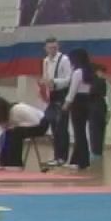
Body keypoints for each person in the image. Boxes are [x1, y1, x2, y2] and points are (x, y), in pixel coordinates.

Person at [39, 37, 72, 166]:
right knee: (53, 126)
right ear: (45, 48)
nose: (52, 50)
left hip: (62, 94)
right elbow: (45, 77)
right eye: (50, 48)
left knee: (62, 127)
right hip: (52, 95)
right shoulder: (45, 61)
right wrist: (43, 83)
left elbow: (68, 79)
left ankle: (63, 158)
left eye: (55, 47)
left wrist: (54, 82)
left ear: (58, 47)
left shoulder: (64, 59)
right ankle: (56, 156)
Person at [65, 49, 100, 170]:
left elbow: (72, 91)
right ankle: (75, 160)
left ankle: (83, 162)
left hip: (77, 102)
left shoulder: (77, 72)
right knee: (80, 132)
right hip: (87, 101)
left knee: (78, 133)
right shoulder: (90, 71)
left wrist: (66, 104)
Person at [0, 95, 48, 169]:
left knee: (14, 132)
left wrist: (17, 126)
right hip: (23, 127)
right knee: (7, 134)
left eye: (2, 122)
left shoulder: (18, 109)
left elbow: (36, 121)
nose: (1, 125)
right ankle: (4, 164)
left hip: (42, 123)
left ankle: (15, 165)